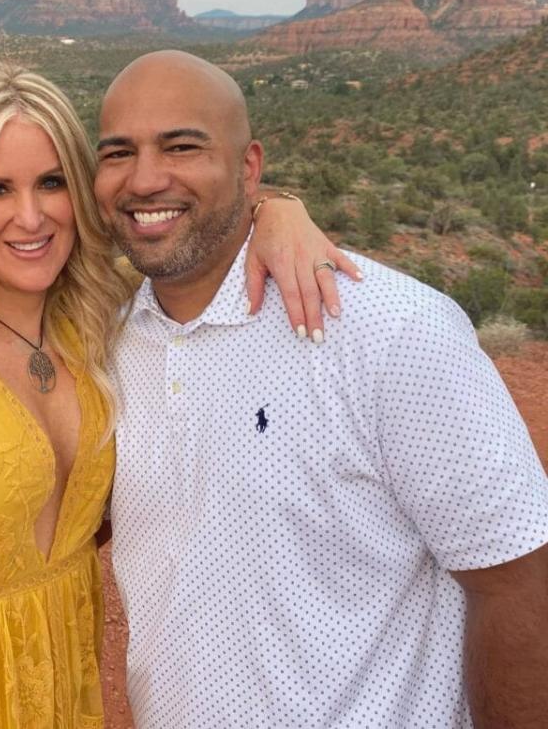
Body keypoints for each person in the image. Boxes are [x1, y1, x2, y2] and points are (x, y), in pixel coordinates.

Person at [0, 61, 350, 728]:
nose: (30, 216)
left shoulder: (107, 321)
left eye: (51, 182)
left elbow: (196, 229)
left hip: (58, 691)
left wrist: (276, 209)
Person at [96, 51, 548, 728]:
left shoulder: (388, 329)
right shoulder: (107, 345)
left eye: (182, 145)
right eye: (117, 152)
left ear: (250, 166)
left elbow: (517, 577)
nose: (146, 177)